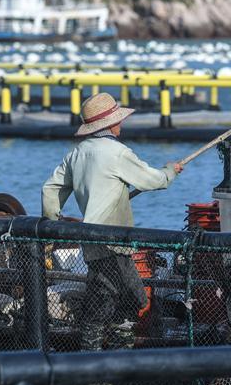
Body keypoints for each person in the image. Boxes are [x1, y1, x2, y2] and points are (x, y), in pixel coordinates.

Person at [42, 92, 183, 355]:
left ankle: (95, 363)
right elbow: (153, 181)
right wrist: (170, 170)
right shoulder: (117, 153)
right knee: (134, 299)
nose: (122, 124)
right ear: (110, 124)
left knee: (103, 296)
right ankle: (115, 363)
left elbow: (50, 190)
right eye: (119, 119)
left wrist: (53, 223)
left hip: (90, 239)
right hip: (115, 241)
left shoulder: (78, 153)